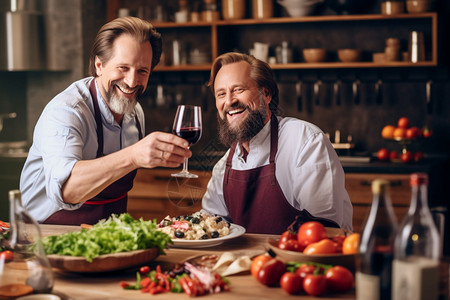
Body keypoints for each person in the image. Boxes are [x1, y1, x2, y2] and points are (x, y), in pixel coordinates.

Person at [20, 17, 191, 225]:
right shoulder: (67, 111)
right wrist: (133, 155)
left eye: (142, 71)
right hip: (48, 233)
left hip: (107, 235)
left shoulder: (135, 112)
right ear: (99, 65)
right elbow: (67, 190)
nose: (131, 82)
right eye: (123, 68)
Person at [201, 52, 353, 234]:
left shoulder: (305, 141)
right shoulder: (223, 167)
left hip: (301, 260)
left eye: (238, 90)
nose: (229, 101)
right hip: (247, 261)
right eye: (221, 94)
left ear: (265, 94)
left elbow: (324, 229)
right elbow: (208, 227)